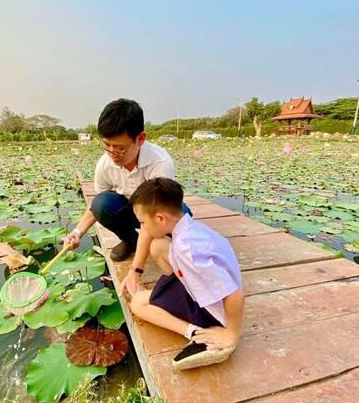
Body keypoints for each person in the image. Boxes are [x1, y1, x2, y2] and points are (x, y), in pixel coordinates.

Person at [63, 98, 177, 295]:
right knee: (102, 204)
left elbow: (154, 215)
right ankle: (131, 240)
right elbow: (94, 207)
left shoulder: (160, 163)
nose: (112, 153)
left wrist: (136, 271)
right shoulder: (105, 164)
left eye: (120, 147)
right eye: (107, 145)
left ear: (140, 139)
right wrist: (77, 232)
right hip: (132, 209)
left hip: (158, 211)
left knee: (175, 225)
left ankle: (148, 245)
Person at [128, 177, 244, 370]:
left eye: (143, 223)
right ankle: (175, 293)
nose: (144, 229)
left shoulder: (188, 251)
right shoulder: (192, 227)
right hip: (204, 283)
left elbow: (234, 295)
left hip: (213, 309)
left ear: (160, 218)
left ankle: (196, 333)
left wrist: (231, 334)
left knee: (137, 302)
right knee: (157, 246)